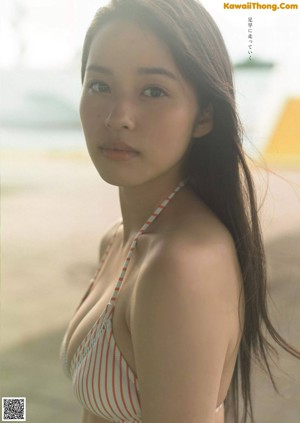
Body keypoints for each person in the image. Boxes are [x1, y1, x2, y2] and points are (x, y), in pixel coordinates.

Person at [60, 1, 300, 422]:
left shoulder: (181, 265)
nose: (119, 117)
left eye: (153, 91)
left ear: (204, 115)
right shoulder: (121, 239)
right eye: (100, 85)